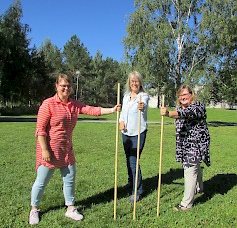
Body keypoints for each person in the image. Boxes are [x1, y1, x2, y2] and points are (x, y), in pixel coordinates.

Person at [29, 73, 120, 225]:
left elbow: (91, 110)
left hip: (66, 149)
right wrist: (45, 150)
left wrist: (112, 110)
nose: (65, 88)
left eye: (68, 86)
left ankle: (70, 208)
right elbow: (40, 130)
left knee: (69, 179)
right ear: (57, 86)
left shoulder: (74, 104)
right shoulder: (48, 104)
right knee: (42, 181)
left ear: (71, 88)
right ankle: (34, 209)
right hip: (49, 150)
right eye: (62, 85)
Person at [160, 84, 210, 211]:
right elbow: (180, 117)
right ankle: (199, 188)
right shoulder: (179, 108)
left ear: (191, 95)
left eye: (186, 94)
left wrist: (168, 113)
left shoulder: (198, 106)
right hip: (184, 144)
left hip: (196, 143)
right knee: (194, 166)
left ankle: (186, 204)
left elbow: (186, 114)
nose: (183, 97)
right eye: (181, 95)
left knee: (189, 168)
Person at [119, 71, 149, 203]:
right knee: (128, 159)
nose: (134, 83)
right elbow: (123, 112)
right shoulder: (126, 96)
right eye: (132, 81)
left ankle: (138, 190)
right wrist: (121, 121)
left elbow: (144, 105)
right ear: (129, 83)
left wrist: (141, 106)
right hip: (126, 132)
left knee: (133, 160)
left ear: (140, 82)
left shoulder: (144, 96)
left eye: (136, 81)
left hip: (138, 132)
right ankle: (131, 182)